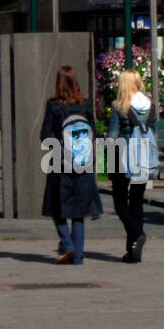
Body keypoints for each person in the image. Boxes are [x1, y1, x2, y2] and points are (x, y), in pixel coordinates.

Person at [40, 65, 102, 265]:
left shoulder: (54, 105)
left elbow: (45, 135)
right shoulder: (85, 104)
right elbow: (93, 132)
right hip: (83, 164)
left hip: (61, 164)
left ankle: (67, 244)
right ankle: (78, 256)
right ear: (76, 82)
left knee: (56, 207)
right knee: (79, 212)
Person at [107, 69, 154, 263]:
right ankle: (133, 252)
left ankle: (136, 233)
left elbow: (112, 137)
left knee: (119, 203)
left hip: (122, 157)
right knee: (136, 202)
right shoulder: (151, 106)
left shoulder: (119, 106)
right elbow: (154, 132)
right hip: (143, 156)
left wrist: (106, 166)